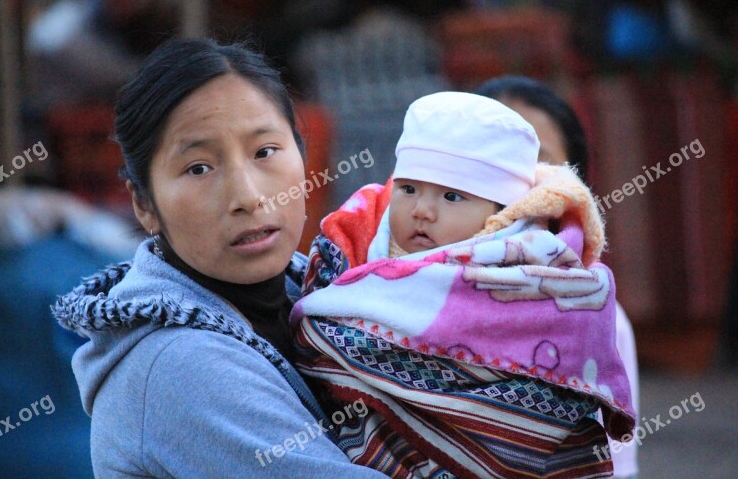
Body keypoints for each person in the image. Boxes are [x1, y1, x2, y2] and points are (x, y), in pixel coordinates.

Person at [53, 39, 386, 478]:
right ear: (144, 205)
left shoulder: (324, 293)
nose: (248, 197)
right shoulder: (179, 364)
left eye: (265, 152)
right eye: (198, 168)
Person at [292, 92, 635, 477]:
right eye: (408, 189)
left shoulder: (536, 274)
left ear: (502, 214)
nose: (422, 209)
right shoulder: (356, 245)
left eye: (452, 196)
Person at [476, 75, 640, 479]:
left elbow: (613, 467)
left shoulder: (597, 318)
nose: (512, 185)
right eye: (490, 161)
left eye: (538, 162)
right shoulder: (390, 287)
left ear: (575, 192)